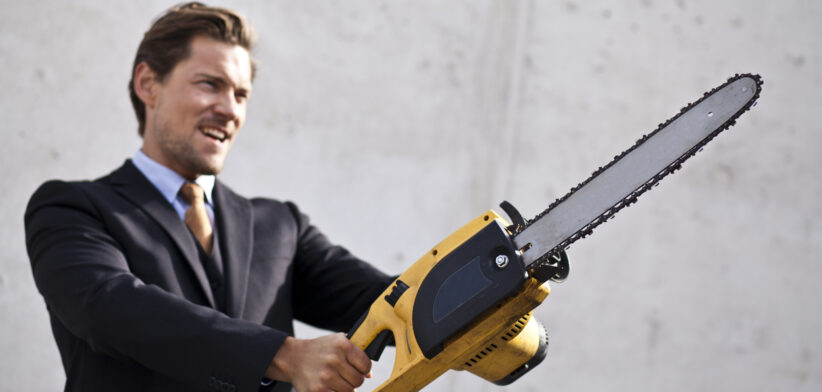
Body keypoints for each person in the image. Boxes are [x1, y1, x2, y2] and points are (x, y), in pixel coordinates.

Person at [24, 3, 394, 392]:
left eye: (241, 94)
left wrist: (459, 297)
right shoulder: (71, 210)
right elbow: (111, 310)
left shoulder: (281, 225)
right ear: (148, 84)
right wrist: (283, 355)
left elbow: (391, 300)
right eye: (210, 84)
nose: (230, 109)